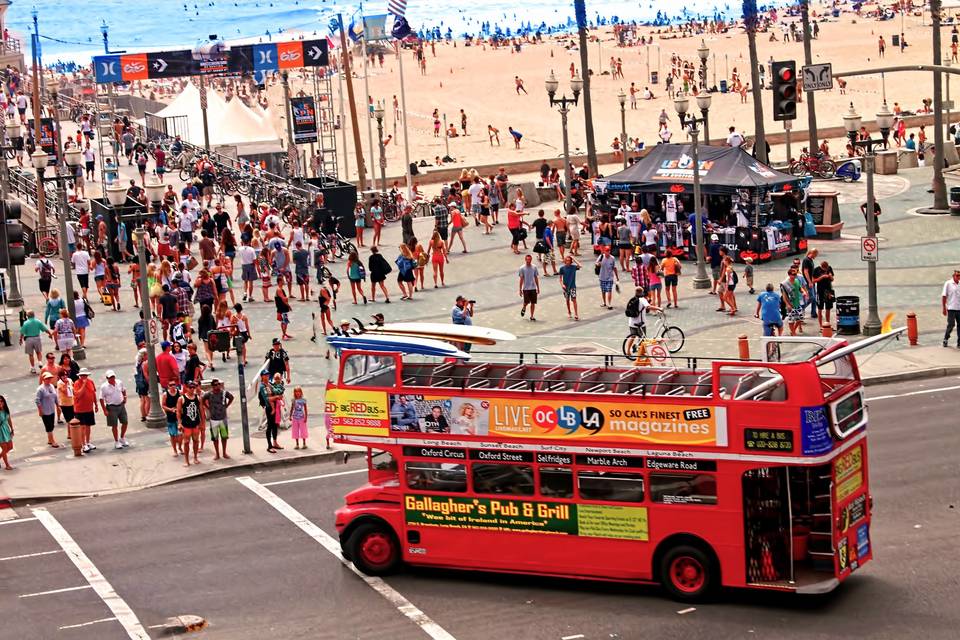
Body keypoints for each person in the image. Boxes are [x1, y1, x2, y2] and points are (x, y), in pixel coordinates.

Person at [624, 287, 661, 356]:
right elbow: (648, 307)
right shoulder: (642, 300)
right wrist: (659, 308)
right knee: (642, 338)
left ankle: (628, 351)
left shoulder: (633, 299)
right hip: (640, 323)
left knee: (633, 336)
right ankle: (641, 352)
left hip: (632, 322)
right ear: (642, 292)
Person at [203, 378, 234, 460]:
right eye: (216, 385)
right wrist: (207, 407)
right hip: (213, 419)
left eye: (218, 384)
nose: (218, 386)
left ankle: (224, 453)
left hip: (223, 418)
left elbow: (231, 397)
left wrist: (227, 406)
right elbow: (202, 400)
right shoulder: (209, 394)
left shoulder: (224, 393)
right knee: (215, 438)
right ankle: (217, 454)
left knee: (224, 437)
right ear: (212, 386)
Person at [99, 370, 129, 449]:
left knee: (125, 422)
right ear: (107, 378)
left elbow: (123, 390)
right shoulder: (104, 387)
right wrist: (104, 410)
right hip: (111, 407)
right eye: (110, 377)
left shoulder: (119, 382)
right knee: (114, 425)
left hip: (121, 405)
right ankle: (116, 441)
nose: (112, 379)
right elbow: (101, 399)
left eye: (113, 377)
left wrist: (125, 397)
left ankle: (122, 438)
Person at [177, 380, 204, 467]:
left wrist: (202, 422)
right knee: (186, 442)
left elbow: (201, 410)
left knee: (196, 441)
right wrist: (179, 423)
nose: (192, 389)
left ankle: (195, 457)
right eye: (190, 387)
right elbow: (178, 412)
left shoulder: (198, 398)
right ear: (186, 388)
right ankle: (186, 460)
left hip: (195, 424)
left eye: (193, 387)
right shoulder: (182, 399)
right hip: (186, 424)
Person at [19, 310, 53, 374]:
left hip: (28, 339)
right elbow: (45, 329)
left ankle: (33, 368)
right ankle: (40, 362)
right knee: (38, 352)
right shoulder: (38, 321)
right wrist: (50, 334)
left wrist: (20, 339)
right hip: (37, 338)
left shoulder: (25, 323)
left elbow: (22, 332)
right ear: (34, 315)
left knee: (31, 354)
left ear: (27, 316)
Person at [73, 368, 97, 453]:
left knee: (88, 426)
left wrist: (96, 404)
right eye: (82, 375)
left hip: (89, 408)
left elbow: (93, 393)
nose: (84, 377)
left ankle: (88, 442)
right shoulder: (77, 383)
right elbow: (78, 394)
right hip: (80, 410)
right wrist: (83, 384)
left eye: (85, 375)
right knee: (82, 427)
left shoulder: (91, 382)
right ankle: (83, 444)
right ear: (79, 376)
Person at [36, 372, 61, 449]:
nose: (49, 380)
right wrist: (40, 410)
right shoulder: (40, 389)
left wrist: (58, 405)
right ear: (43, 379)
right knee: (48, 426)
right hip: (45, 410)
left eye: (50, 378)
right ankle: (52, 440)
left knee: (52, 425)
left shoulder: (52, 386)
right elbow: (37, 400)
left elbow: (55, 396)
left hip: (52, 409)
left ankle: (49, 439)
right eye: (47, 378)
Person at [558, 255, 581, 321]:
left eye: (569, 260)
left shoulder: (573, 267)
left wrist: (573, 258)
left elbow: (580, 265)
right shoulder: (562, 268)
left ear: (571, 261)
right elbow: (560, 279)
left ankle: (576, 314)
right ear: (565, 261)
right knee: (567, 300)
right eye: (567, 260)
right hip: (566, 287)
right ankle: (569, 311)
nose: (568, 261)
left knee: (574, 300)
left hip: (572, 286)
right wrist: (562, 285)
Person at [518, 254, 540, 321]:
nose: (528, 261)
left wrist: (538, 287)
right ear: (525, 260)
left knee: (533, 302)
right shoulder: (522, 268)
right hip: (526, 288)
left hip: (533, 287)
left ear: (531, 260)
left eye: (529, 259)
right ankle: (524, 307)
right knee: (526, 302)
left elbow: (536, 277)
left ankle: (532, 316)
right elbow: (521, 279)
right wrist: (520, 289)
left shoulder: (534, 267)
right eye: (527, 259)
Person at [942, 269, 960, 348]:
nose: (958, 277)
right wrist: (944, 308)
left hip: (959, 308)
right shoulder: (948, 283)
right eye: (957, 276)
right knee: (951, 324)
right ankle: (946, 338)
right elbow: (944, 296)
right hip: (951, 308)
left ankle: (959, 342)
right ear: (953, 276)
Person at [0, 395, 13, 470]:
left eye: (1, 401)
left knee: (10, 447)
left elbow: (9, 420)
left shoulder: (5, 410)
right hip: (0, 432)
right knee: (4, 449)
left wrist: (12, 429)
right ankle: (7, 465)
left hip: (6, 430)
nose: (0, 402)